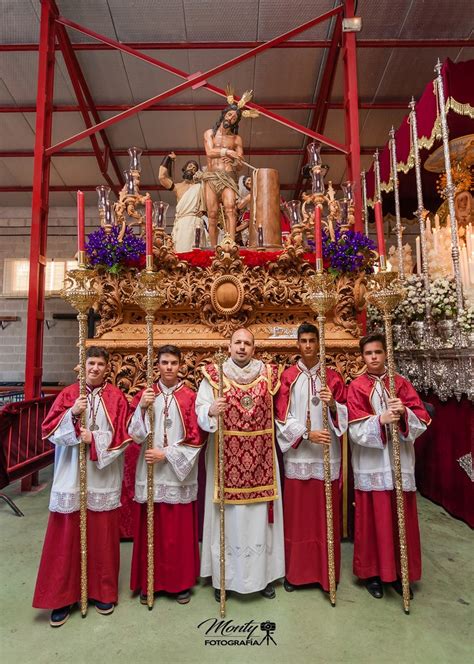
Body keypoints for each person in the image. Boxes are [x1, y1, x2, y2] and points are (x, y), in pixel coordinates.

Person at [33, 347, 131, 627]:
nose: (95, 368)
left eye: (101, 363)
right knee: (66, 539)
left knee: (102, 537)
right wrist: (72, 415)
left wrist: (95, 439)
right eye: (91, 363)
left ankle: (102, 591)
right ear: (83, 365)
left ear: (107, 368)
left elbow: (123, 438)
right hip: (71, 476)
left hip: (101, 477)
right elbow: (48, 431)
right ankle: (62, 598)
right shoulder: (69, 396)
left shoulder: (116, 397)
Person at [195, 328, 284, 601]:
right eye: (238, 343)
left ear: (254, 348)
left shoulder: (270, 376)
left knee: (259, 520)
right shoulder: (213, 375)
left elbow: (281, 414)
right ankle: (224, 577)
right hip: (224, 463)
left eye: (247, 343)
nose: (242, 348)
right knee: (228, 520)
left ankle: (264, 576)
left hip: (262, 462)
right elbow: (200, 409)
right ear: (229, 346)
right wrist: (210, 410)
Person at [347, 332, 431, 600]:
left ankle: (399, 571)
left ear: (386, 354)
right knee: (374, 518)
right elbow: (354, 429)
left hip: (399, 463)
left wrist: (405, 413)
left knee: (399, 517)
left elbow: (422, 418)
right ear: (362, 356)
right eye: (368, 353)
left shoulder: (401, 384)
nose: (373, 357)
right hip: (372, 463)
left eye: (378, 352)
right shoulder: (357, 387)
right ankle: (373, 573)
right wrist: (380, 419)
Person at [128, 345, 204, 605]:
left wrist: (166, 454)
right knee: (152, 528)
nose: (169, 367)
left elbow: (196, 437)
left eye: (173, 362)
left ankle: (179, 583)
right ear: (156, 366)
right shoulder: (147, 395)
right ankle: (149, 581)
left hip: (176, 473)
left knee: (177, 532)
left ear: (180, 365)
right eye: (164, 362)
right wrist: (140, 407)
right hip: (149, 470)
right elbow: (135, 435)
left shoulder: (190, 397)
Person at [275, 322, 347, 592]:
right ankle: (295, 573)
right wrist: (307, 433)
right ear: (297, 344)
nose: (307, 345)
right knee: (298, 516)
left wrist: (332, 405)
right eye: (303, 341)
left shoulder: (333, 377)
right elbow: (281, 416)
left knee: (324, 516)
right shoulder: (287, 377)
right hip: (299, 456)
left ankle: (325, 573)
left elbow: (346, 415)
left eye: (311, 341)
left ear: (319, 343)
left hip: (326, 456)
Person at [200, 103, 245, 245]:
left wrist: (233, 162)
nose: (231, 118)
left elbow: (240, 164)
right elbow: (210, 152)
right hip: (212, 176)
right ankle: (213, 248)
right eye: (230, 114)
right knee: (212, 214)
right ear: (224, 114)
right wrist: (227, 152)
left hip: (228, 176)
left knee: (231, 208)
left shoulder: (236, 139)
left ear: (235, 122)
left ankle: (231, 245)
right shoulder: (209, 133)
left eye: (234, 118)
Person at [158, 153, 206, 252]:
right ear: (184, 169)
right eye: (189, 166)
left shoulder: (200, 187)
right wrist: (167, 159)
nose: (192, 169)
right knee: (180, 251)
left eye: (194, 168)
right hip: (182, 223)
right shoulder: (177, 187)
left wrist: (204, 179)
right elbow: (161, 177)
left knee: (195, 253)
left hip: (195, 222)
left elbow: (210, 203)